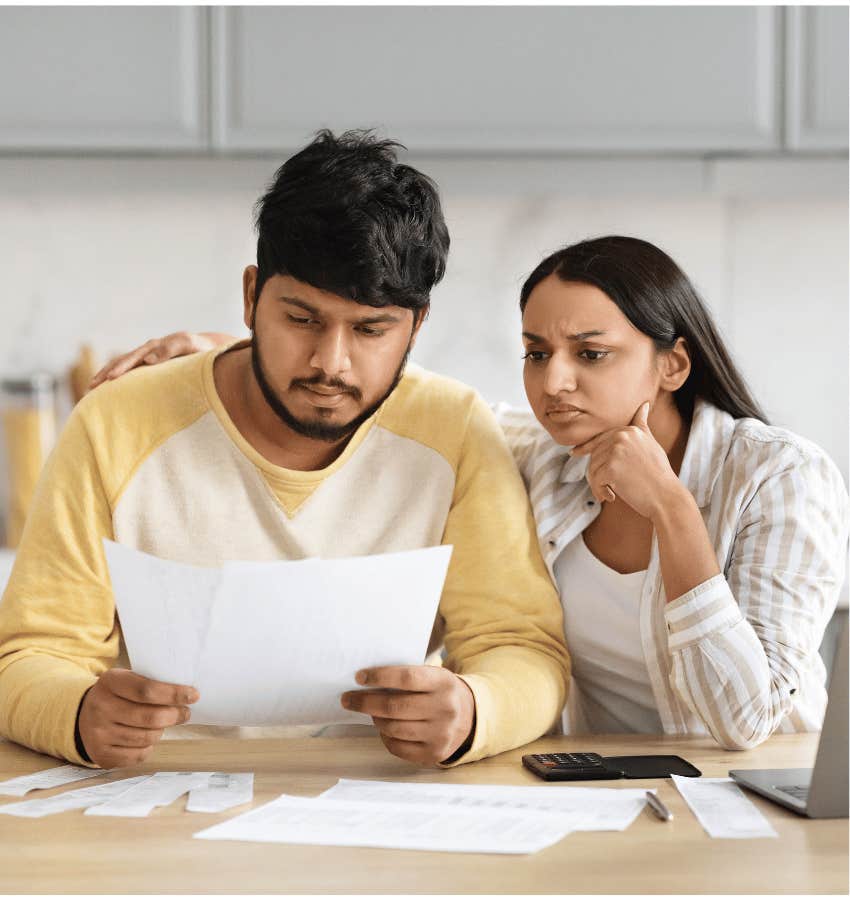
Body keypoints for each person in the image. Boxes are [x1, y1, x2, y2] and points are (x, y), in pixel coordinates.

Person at [114, 235, 849, 751]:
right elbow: (414, 405)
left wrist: (673, 510)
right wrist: (231, 356)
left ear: (673, 366)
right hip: (601, 792)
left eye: (590, 354)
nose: (553, 382)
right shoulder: (545, 458)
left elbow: (744, 722)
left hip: (758, 801)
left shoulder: (780, 479)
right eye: (536, 353)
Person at [0, 130, 570, 770]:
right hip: (160, 792)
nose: (331, 363)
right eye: (301, 320)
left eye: (371, 330)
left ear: (418, 325)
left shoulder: (455, 429)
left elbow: (522, 649)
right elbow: (31, 655)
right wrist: (76, 714)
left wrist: (474, 710)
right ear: (251, 297)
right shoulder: (115, 424)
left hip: (380, 796)